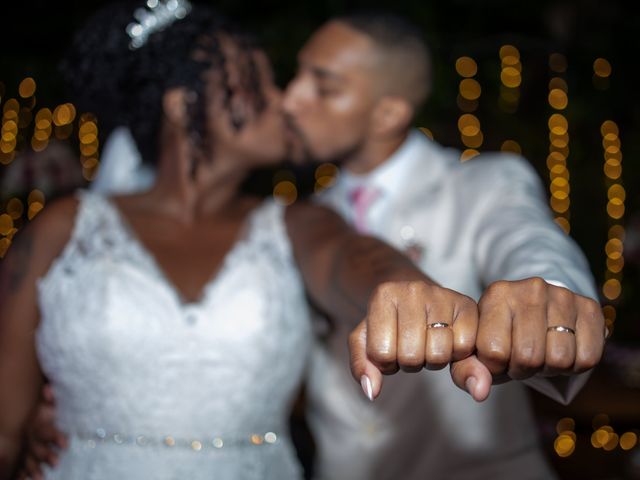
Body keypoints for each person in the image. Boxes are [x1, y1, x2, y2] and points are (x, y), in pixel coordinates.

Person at [0, 3, 483, 479]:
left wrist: (402, 286)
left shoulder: (298, 222)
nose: (284, 101)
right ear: (181, 102)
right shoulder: (62, 228)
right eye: (256, 81)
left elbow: (351, 258)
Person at [281, 11, 606, 479]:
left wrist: (549, 292)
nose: (291, 100)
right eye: (296, 76)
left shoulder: (483, 182)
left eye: (323, 86)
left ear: (389, 112)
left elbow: (524, 237)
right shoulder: (303, 217)